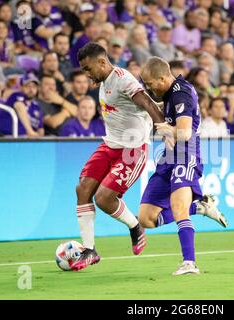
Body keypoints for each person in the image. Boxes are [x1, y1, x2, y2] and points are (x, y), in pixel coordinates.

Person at [72, 42, 165, 271]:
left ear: (102, 62)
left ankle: (135, 227)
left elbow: (146, 102)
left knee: (103, 198)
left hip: (132, 150)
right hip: (110, 145)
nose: (87, 74)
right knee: (82, 189)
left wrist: (162, 127)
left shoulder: (124, 79)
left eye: (88, 69)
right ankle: (89, 249)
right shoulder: (104, 81)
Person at [138, 56, 227, 275]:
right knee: (146, 218)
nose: (149, 88)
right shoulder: (170, 93)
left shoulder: (181, 93)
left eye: (150, 84)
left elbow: (185, 133)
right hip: (167, 158)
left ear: (162, 77)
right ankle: (198, 207)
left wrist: (167, 130)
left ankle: (189, 263)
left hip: (186, 154)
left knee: (178, 207)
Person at [0, 73, 44, 137]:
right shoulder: (16, 95)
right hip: (2, 135)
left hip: (21, 138)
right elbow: (20, 107)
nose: (31, 89)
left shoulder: (36, 107)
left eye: (34, 86)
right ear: (21, 87)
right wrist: (30, 131)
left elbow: (40, 128)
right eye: (27, 86)